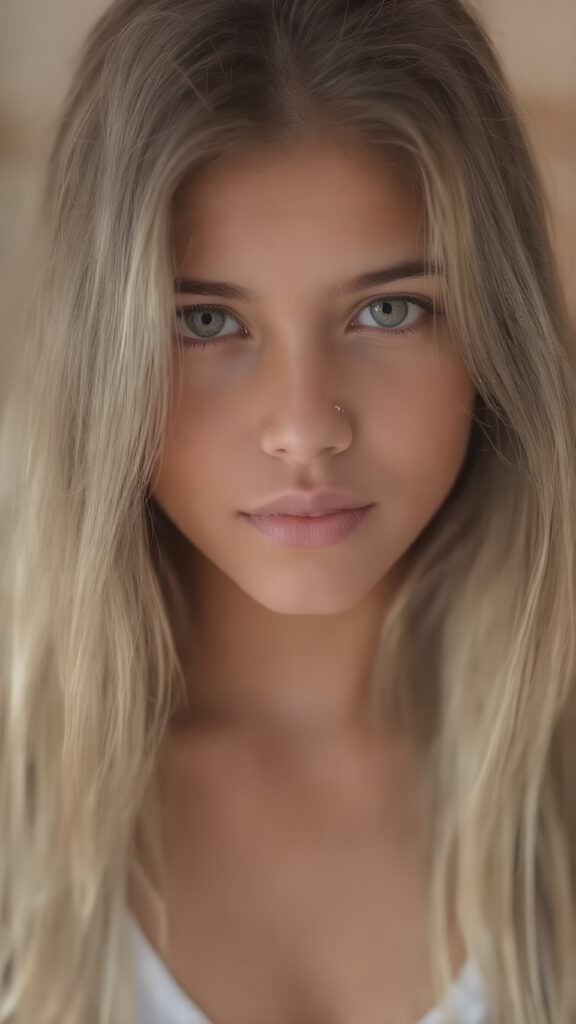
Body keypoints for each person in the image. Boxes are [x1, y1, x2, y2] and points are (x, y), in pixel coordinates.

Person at [0, 0, 575, 1022]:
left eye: (387, 310)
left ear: (495, 332)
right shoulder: (21, 809)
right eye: (207, 321)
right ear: (102, 352)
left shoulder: (554, 788)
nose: (305, 429)